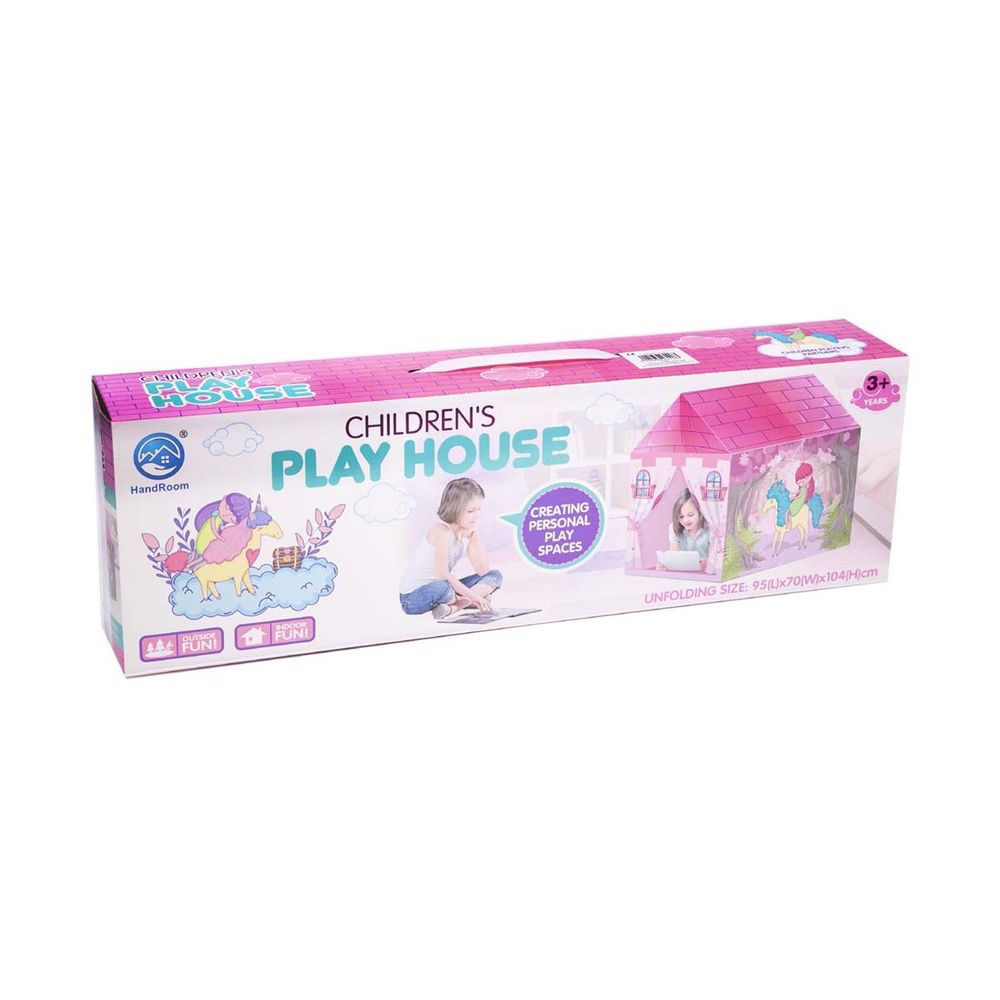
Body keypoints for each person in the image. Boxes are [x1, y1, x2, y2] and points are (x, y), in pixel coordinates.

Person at [399, 478, 503, 619]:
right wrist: (475, 596)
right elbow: (442, 575)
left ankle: (454, 607)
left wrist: (475, 539)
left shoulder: (465, 533)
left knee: (495, 575)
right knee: (443, 587)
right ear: (454, 509)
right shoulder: (442, 531)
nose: (476, 515)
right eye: (470, 511)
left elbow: (483, 571)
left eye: (478, 510)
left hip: (444, 587)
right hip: (413, 598)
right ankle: (468, 601)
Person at [193, 493, 253, 564]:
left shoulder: (226, 525)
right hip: (206, 540)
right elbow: (213, 527)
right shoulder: (215, 515)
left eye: (231, 519)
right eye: (226, 508)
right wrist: (219, 537)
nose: (226, 515)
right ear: (224, 498)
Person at [670, 488, 711, 571]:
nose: (685, 520)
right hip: (684, 573)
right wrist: (665, 565)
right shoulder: (674, 528)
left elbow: (715, 559)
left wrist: (708, 563)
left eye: (691, 515)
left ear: (700, 512)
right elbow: (673, 558)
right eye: (681, 517)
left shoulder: (710, 529)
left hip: (706, 573)